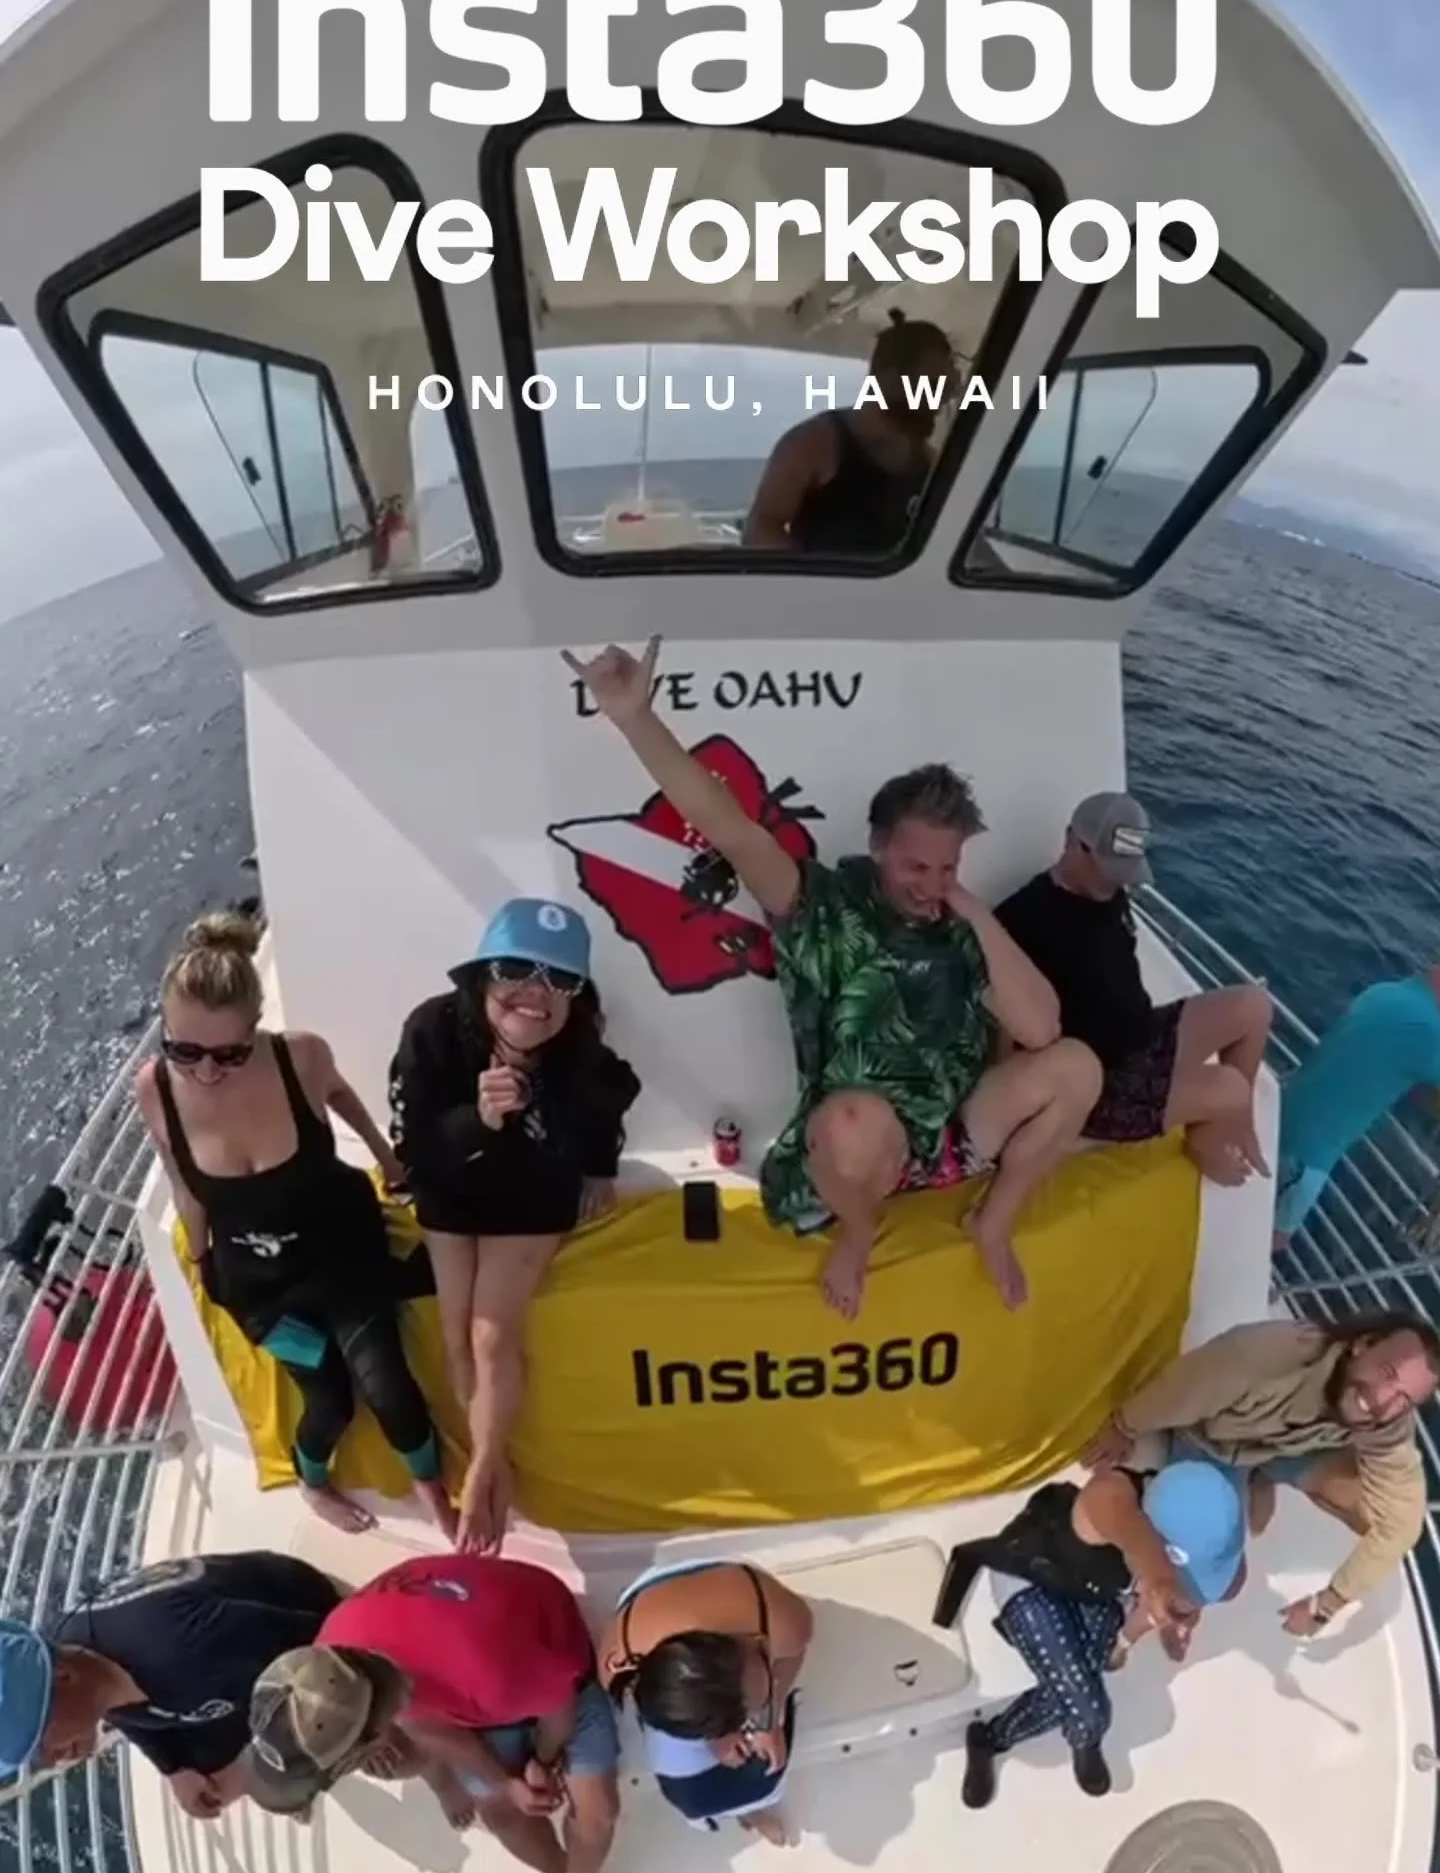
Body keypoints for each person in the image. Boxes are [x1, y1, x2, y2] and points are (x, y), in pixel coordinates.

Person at [562, 639, 1102, 1317]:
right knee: (854, 1120)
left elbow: (1040, 1028)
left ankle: (995, 1220)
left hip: (952, 1136)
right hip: (853, 1151)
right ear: (878, 847)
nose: (930, 885)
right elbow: (723, 823)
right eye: (916, 867)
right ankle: (860, 1232)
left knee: (1078, 1065)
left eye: (947, 867)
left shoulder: (963, 923)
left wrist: (968, 908)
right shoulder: (819, 903)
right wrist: (635, 719)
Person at [140, 911, 452, 1539]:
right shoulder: (154, 1088)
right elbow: (180, 1179)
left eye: (228, 1054)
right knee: (329, 1402)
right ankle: (312, 1484)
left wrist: (390, 1163)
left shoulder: (299, 1058)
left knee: (389, 1390)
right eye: (184, 1051)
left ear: (255, 1030)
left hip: (343, 1256)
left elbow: (341, 1095)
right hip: (259, 1286)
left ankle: (434, 1495)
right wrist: (202, 1266)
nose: (204, 1073)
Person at [388, 899, 640, 1554]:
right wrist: (479, 1120)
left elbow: (607, 1104)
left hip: (529, 1196)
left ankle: (483, 1468)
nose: (536, 993)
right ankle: (490, 1456)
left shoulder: (580, 1051)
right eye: (515, 970)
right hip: (449, 1188)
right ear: (481, 978)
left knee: (489, 1333)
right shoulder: (432, 1032)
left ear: (577, 995)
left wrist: (599, 1169)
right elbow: (411, 1147)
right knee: (451, 1331)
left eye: (560, 979)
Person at [241, 1550, 619, 1873]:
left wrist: (543, 1759)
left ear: (377, 1730)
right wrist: (506, 1782)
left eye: (354, 1758)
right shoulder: (330, 1659)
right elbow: (430, 1726)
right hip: (478, 1644)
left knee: (598, 1812)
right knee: (500, 1807)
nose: (361, 1767)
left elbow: (560, 1705)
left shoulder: (491, 1678)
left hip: (552, 1659)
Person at [1084, 1309, 1440, 1634]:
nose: (1382, 1399)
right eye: (1388, 1372)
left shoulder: (1387, 1420)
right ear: (1362, 1344)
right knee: (1229, 1579)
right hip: (1212, 1439)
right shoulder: (1269, 1355)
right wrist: (1125, 1423)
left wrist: (1326, 1604)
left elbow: (1403, 1523)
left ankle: (1261, 1475)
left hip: (1277, 1448)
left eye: (1404, 1400)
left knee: (1371, 1515)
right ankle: (1148, 1612)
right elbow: (1185, 1385)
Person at [995, 793, 1272, 1185]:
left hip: (1140, 1037)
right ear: (1074, 842)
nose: (1117, 882)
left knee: (1254, 1005)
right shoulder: (1023, 920)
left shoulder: (1109, 892)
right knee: (1232, 1089)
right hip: (1098, 1086)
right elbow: (1002, 1027)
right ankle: (1212, 1138)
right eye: (1109, 869)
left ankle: (1221, 1128)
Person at [944, 1459, 1247, 1804]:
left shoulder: (1217, 1561)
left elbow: (1202, 1592)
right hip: (1031, 1577)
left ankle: (1072, 1716)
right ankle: (992, 1739)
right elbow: (1108, 1503)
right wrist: (1157, 1576)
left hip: (1093, 1594)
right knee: (1091, 1711)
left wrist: (1128, 1639)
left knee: (1086, 1677)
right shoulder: (1112, 1499)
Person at [0, 1550, 337, 1810]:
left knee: (278, 1785)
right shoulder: (76, 1650)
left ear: (63, 1676)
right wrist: (174, 1769)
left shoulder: (186, 1648)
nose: (48, 1759)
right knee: (203, 1763)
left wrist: (376, 1718)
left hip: (304, 1607)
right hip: (226, 1658)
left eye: (40, 1740)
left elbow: (325, 1641)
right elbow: (124, 1713)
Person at [597, 1558, 812, 1845]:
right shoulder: (616, 1667)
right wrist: (717, 1733)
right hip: (646, 1631)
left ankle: (751, 1807)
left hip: (735, 1585)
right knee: (693, 1796)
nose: (765, 1643)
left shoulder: (783, 1622)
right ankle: (744, 1809)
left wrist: (769, 1717)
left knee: (764, 1764)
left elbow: (793, 1652)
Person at [743, 313, 955, 555]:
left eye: (949, 386)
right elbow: (761, 528)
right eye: (935, 385)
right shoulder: (813, 444)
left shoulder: (928, 460)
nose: (943, 399)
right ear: (889, 379)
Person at [1274, 970, 1440, 1243]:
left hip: (1283, 1112)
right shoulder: (1431, 1035)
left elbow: (1388, 1064)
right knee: (1273, 1240)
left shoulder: (1385, 992)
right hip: (1305, 1154)